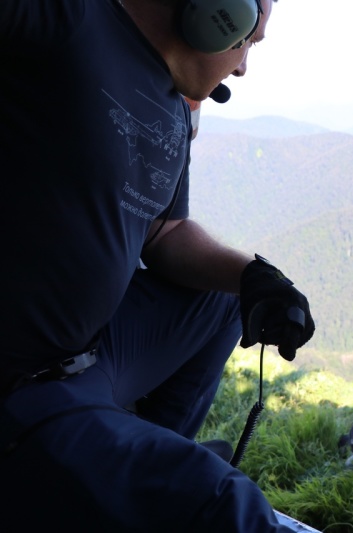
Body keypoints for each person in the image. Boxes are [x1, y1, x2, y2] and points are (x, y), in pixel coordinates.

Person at [0, 0, 315, 530]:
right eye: (247, 43)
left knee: (224, 299)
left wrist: (256, 279)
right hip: (23, 386)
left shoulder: (173, 105)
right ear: (216, 13)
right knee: (222, 505)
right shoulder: (70, 22)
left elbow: (164, 232)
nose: (241, 68)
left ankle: (136, 455)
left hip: (88, 361)